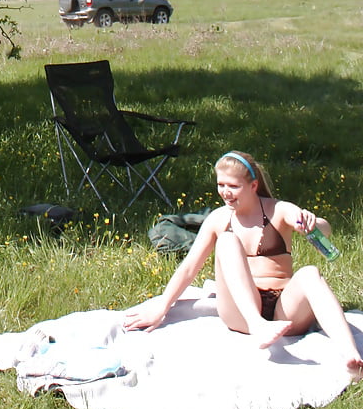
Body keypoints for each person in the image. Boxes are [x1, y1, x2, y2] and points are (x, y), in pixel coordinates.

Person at [122, 150, 363, 374]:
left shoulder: (277, 210)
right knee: (227, 241)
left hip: (284, 307)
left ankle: (352, 357)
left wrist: (312, 222)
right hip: (242, 312)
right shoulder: (218, 219)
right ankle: (258, 326)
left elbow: (325, 229)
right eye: (221, 185)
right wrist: (162, 306)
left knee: (310, 272)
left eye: (233, 186)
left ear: (253, 185)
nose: (225, 192)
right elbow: (188, 268)